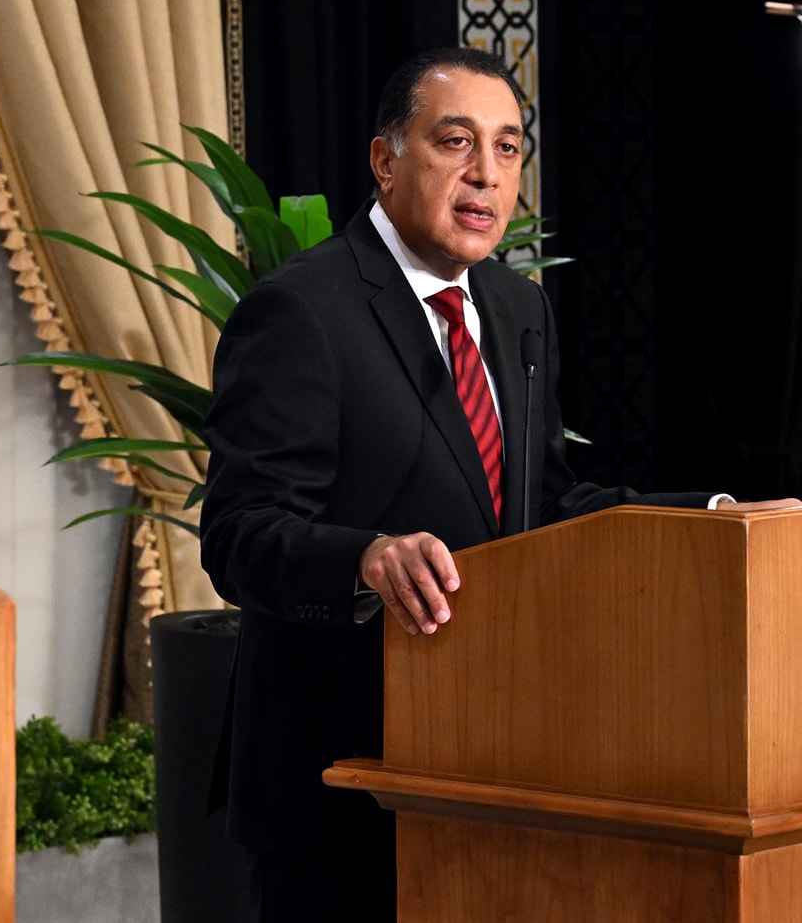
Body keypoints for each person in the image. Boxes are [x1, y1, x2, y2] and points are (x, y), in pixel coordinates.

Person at [197, 47, 792, 922]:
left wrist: (716, 515)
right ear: (385, 159)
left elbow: (543, 506)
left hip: (490, 769)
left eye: (508, 147)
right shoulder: (302, 311)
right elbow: (239, 531)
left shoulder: (516, 308)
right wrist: (365, 558)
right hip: (343, 776)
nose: (486, 172)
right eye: (456, 141)